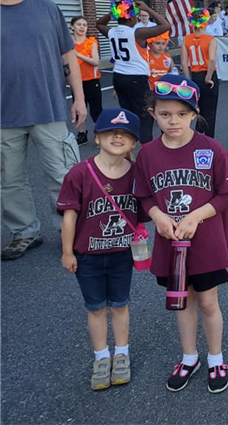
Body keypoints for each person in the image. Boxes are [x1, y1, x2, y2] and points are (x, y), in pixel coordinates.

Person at [135, 75, 228, 394]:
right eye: (165, 114)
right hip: (171, 243)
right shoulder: (148, 154)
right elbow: (144, 196)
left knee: (208, 301)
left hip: (206, 242)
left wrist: (196, 215)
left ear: (194, 113)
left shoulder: (211, 149)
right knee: (182, 302)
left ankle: (215, 357)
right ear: (153, 113)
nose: (173, 121)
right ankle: (189, 356)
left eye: (181, 114)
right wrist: (156, 215)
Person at [0, 0, 87, 261]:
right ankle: (24, 232)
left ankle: (72, 230)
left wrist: (79, 98)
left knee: (63, 176)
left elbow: (69, 58)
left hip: (48, 107)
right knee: (9, 182)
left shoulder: (47, 9)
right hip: (3, 116)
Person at [56, 107, 142, 390]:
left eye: (126, 134)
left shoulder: (136, 175)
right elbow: (69, 217)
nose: (117, 136)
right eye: (110, 131)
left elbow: (146, 210)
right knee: (95, 309)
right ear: (96, 138)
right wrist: (67, 252)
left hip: (121, 254)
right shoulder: (80, 173)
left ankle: (122, 353)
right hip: (87, 256)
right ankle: (101, 356)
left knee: (120, 305)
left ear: (133, 143)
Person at [96, 0, 171, 144]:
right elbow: (165, 26)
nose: (137, 18)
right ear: (130, 18)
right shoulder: (137, 33)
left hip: (118, 76)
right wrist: (148, 9)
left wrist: (113, 12)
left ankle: (127, 148)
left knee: (128, 114)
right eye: (136, 16)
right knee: (145, 116)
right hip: (136, 77)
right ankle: (147, 152)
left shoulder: (112, 32)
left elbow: (99, 24)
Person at [181, 8, 220, 138]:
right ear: (206, 22)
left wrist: (188, 80)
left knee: (198, 109)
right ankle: (208, 139)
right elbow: (212, 59)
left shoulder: (186, 39)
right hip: (208, 74)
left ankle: (197, 136)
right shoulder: (211, 39)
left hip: (195, 75)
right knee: (210, 111)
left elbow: (184, 63)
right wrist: (208, 78)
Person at [70, 16, 103, 145]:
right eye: (79, 24)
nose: (82, 27)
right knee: (78, 109)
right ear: (72, 26)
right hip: (77, 81)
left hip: (92, 80)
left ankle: (99, 134)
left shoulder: (91, 42)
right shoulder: (69, 44)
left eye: (85, 25)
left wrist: (78, 54)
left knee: (96, 110)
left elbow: (95, 62)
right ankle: (82, 134)